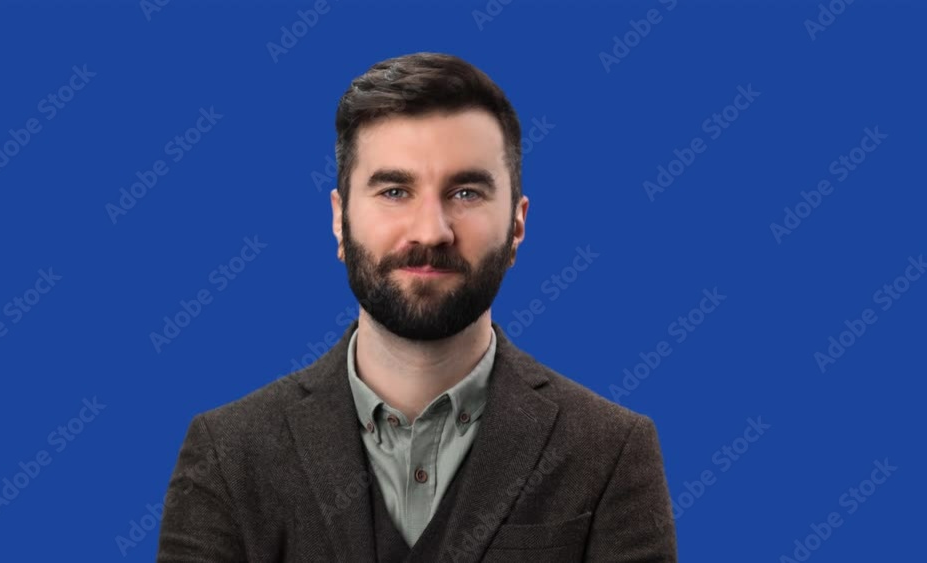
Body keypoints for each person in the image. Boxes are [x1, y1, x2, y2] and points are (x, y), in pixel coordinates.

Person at [157, 51, 678, 563]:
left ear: (517, 225)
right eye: (394, 190)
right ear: (340, 219)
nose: (431, 230)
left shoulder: (610, 452)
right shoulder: (227, 454)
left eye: (467, 192)